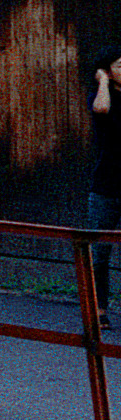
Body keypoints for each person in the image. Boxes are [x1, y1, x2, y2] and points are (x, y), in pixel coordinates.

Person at [91, 45, 121, 330]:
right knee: (99, 251)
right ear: (109, 71)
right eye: (120, 65)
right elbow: (101, 109)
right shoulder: (103, 96)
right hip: (106, 184)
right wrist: (102, 82)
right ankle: (98, 310)